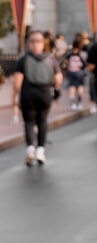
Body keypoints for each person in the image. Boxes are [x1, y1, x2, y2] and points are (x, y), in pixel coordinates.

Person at [12, 29, 62, 165]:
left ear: (29, 43)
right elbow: (58, 77)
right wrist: (55, 88)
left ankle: (30, 149)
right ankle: (41, 150)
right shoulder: (50, 59)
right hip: (45, 93)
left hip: (28, 93)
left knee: (28, 122)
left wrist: (15, 98)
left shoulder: (23, 60)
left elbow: (17, 83)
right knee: (42, 121)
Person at [63, 37, 87, 109]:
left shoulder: (69, 54)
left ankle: (73, 103)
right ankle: (79, 103)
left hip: (71, 71)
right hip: (79, 72)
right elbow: (84, 64)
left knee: (72, 87)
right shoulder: (82, 54)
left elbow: (65, 62)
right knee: (80, 87)